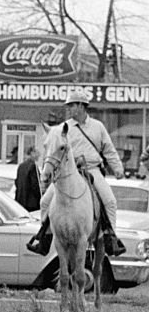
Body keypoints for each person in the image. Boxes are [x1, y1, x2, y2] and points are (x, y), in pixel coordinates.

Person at [26, 89, 127, 257]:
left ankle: (111, 238)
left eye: (72, 105)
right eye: (69, 106)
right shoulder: (62, 128)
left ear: (81, 106)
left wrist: (117, 168)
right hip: (68, 172)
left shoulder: (97, 127)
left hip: (92, 169)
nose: (69, 109)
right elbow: (51, 149)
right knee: (45, 202)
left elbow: (108, 149)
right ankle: (44, 239)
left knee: (110, 202)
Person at [14, 145, 41, 212]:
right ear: (32, 153)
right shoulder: (33, 166)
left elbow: (17, 183)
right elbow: (35, 186)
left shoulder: (21, 166)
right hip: (32, 203)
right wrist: (40, 197)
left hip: (20, 202)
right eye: (37, 153)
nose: (39, 155)